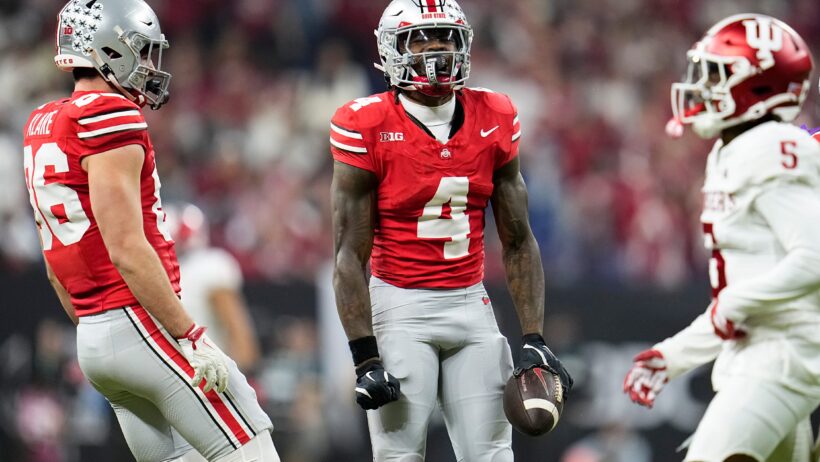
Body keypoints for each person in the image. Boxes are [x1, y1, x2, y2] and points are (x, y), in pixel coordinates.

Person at [22, 1, 278, 460]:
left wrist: (98, 331)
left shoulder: (44, 121)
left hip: (92, 334)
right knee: (251, 446)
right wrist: (190, 334)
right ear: (109, 50)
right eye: (140, 50)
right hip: (140, 320)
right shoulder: (109, 114)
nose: (149, 65)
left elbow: (53, 267)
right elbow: (125, 247)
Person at [329, 0, 573, 460]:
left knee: (493, 454)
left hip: (470, 302)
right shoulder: (365, 123)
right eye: (420, 39)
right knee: (399, 455)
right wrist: (365, 357)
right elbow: (348, 254)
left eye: (446, 36)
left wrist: (534, 338)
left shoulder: (495, 114)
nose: (437, 48)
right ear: (390, 49)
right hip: (400, 304)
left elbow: (518, 238)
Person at [624, 14, 820, 462]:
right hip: (763, 353)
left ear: (759, 86)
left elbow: (812, 259)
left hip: (782, 359)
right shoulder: (734, 150)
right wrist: (673, 355)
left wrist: (731, 306)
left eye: (717, 75)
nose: (701, 86)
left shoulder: (770, 147)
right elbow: (740, 306)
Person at [165, 202, 261, 372]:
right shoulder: (160, 271)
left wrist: (246, 371)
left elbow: (236, 328)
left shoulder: (210, 266)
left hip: (206, 372)